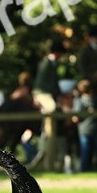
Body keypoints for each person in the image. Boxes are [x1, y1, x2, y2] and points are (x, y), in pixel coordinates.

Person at [33, 40, 66, 169]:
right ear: (57, 53)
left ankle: (47, 132)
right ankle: (47, 130)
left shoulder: (52, 64)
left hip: (47, 93)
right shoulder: (46, 63)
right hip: (43, 93)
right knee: (51, 108)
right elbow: (40, 85)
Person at [73, 78, 97, 172]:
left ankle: (84, 170)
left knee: (85, 152)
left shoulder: (79, 101)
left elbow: (75, 118)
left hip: (84, 130)